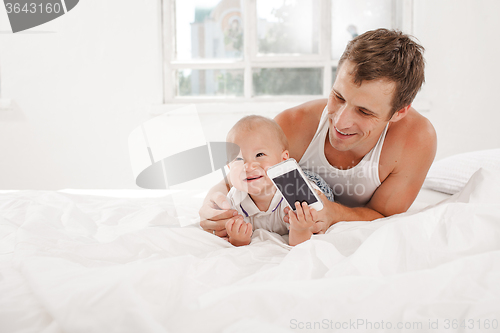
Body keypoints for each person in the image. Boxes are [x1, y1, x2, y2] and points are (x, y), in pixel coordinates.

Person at [200, 28, 437, 237]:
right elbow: (243, 171)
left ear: (399, 111)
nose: (341, 122)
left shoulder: (416, 140)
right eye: (338, 97)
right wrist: (214, 199)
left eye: (364, 112)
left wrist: (334, 213)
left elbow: (385, 215)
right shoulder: (294, 124)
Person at [223, 115, 333, 246]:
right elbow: (234, 241)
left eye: (259, 155)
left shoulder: (296, 197)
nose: (248, 166)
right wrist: (238, 238)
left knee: (316, 210)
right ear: (229, 167)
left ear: (283, 160)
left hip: (316, 185)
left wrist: (300, 229)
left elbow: (301, 245)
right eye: (238, 159)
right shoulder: (234, 201)